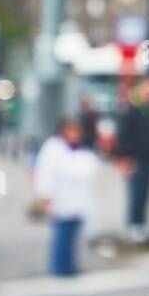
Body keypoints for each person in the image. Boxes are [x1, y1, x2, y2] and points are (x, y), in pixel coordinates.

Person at [33, 118, 99, 277]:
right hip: (60, 200)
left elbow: (92, 169)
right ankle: (58, 267)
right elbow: (45, 174)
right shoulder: (53, 148)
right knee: (62, 235)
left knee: (74, 236)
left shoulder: (82, 150)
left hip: (78, 201)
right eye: (71, 130)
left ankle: (70, 265)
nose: (75, 134)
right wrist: (46, 197)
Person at [114, 76, 149, 240]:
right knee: (136, 193)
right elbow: (122, 136)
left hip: (147, 159)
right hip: (134, 159)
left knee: (146, 192)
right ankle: (133, 225)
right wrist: (122, 159)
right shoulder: (132, 109)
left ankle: (141, 224)